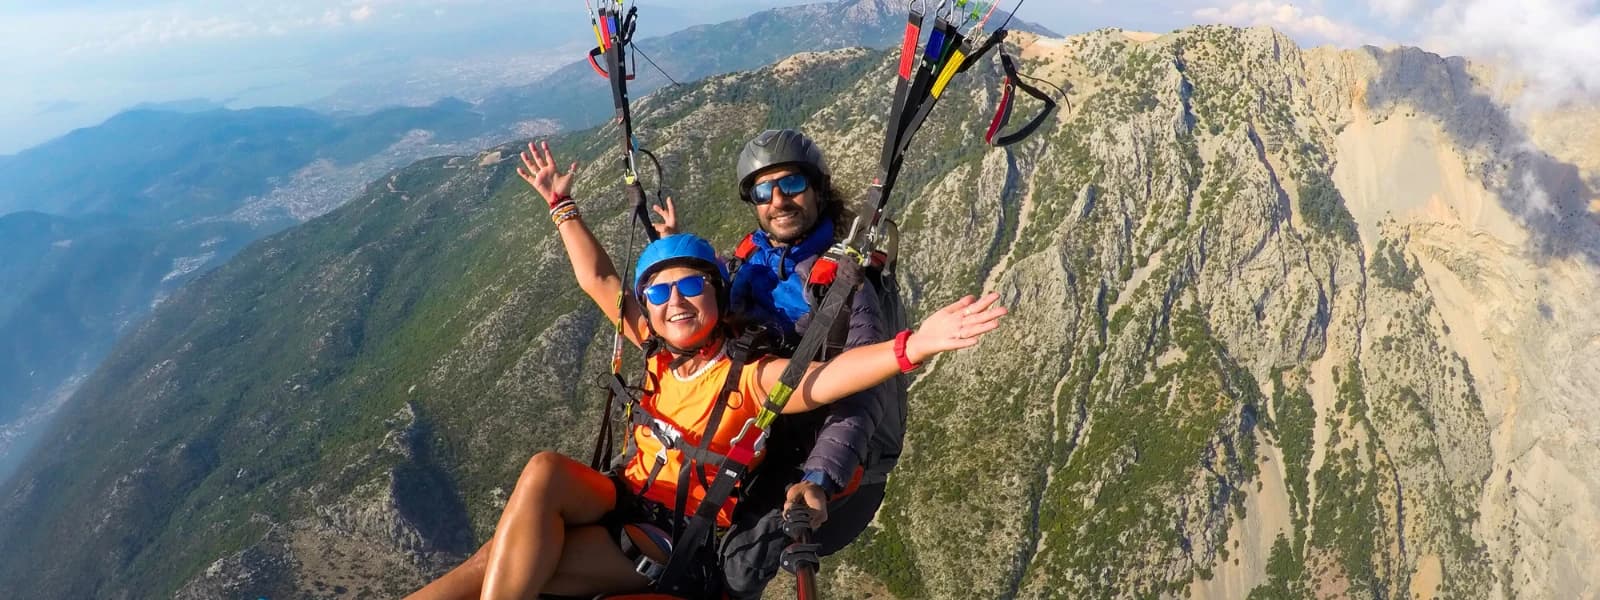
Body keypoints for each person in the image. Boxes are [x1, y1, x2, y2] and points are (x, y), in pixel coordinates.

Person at [405, 141, 1006, 599]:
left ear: (718, 297)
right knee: (539, 477)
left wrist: (912, 347)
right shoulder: (658, 345)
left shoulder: (748, 375)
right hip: (627, 495)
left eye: (692, 287)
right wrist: (561, 205)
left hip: (673, 536)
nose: (675, 302)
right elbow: (599, 280)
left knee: (508, 562)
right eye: (661, 294)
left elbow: (828, 381)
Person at [654, 130, 909, 597]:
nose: (778, 201)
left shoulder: (849, 283)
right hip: (765, 430)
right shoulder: (752, 260)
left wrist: (817, 480)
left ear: (816, 190)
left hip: (827, 457)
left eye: (790, 185)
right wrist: (674, 253)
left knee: (735, 568)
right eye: (762, 191)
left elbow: (863, 394)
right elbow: (709, 313)